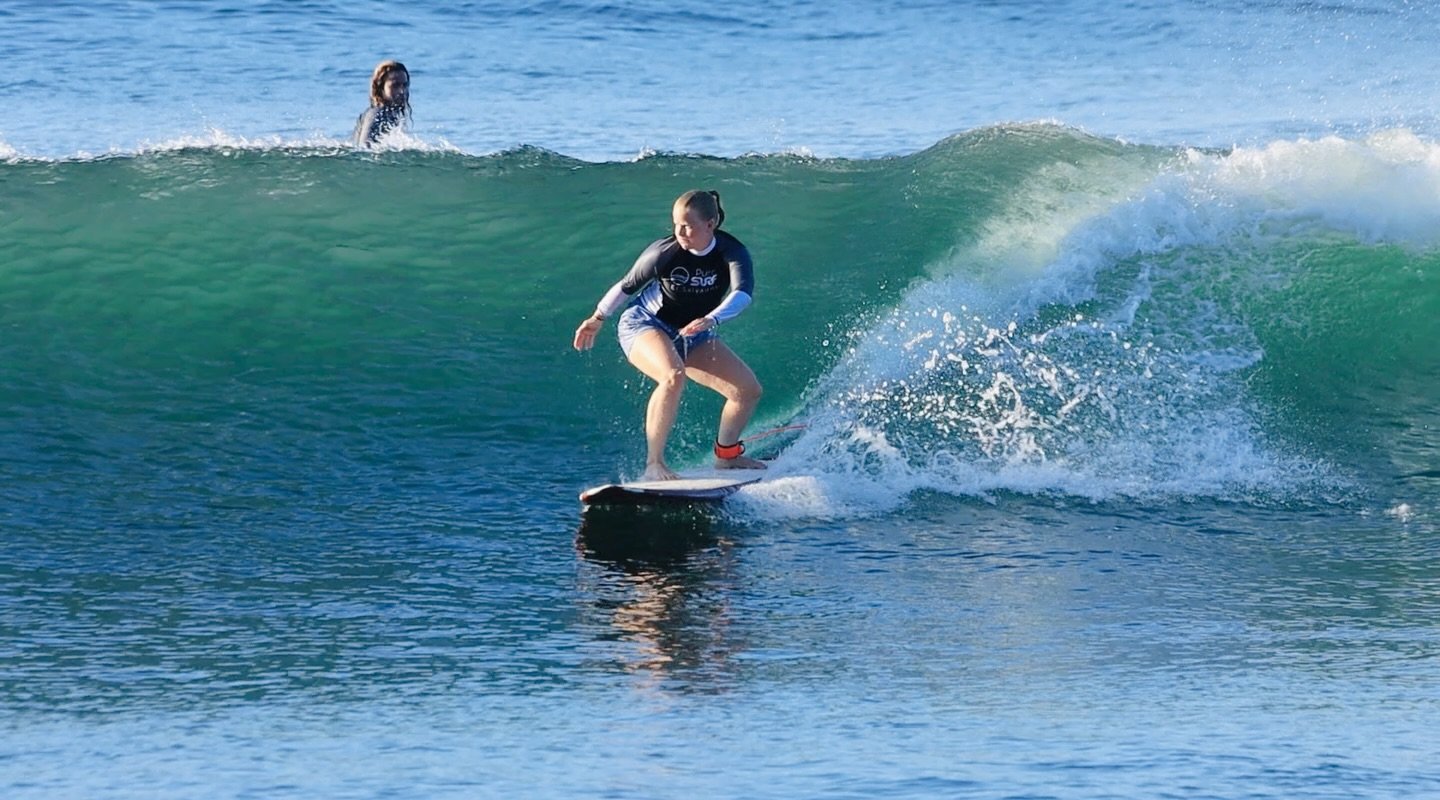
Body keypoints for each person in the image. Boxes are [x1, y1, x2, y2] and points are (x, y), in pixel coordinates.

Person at [573, 190, 765, 480]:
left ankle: (726, 457)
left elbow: (742, 294)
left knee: (746, 390)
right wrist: (597, 318)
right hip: (645, 323)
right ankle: (654, 464)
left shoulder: (732, 252)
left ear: (710, 224)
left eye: (688, 225)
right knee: (672, 376)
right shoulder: (663, 253)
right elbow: (626, 286)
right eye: (676, 224)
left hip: (692, 331)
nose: (680, 232)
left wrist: (711, 319)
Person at [352, 60, 410, 147]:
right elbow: (364, 147)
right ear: (380, 88)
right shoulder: (377, 114)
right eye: (395, 85)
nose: (402, 91)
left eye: (405, 85)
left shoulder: (389, 113)